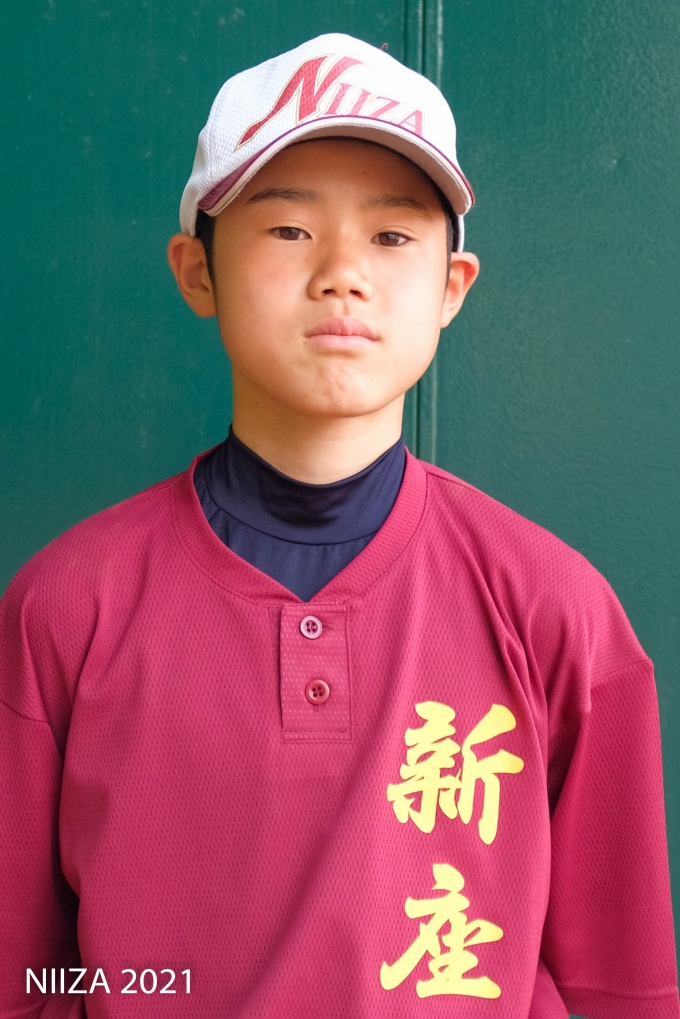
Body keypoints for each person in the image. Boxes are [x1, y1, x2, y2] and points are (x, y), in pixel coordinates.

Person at [0, 32, 677, 1019]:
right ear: (197, 271)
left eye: (392, 236)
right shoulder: (65, 607)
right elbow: (23, 980)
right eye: (287, 229)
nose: (342, 274)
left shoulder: (553, 606)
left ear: (452, 286)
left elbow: (622, 988)